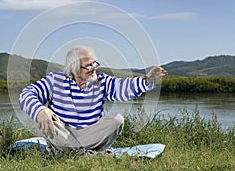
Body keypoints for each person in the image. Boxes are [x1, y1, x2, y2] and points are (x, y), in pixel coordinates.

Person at [19, 46, 167, 153]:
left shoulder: (101, 81)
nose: (94, 67)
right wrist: (40, 110)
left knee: (117, 120)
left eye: (95, 63)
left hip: (91, 134)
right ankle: (86, 153)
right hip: (63, 133)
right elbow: (26, 93)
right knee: (41, 121)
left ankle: (71, 152)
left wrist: (147, 79)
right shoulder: (55, 80)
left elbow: (123, 87)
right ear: (74, 68)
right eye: (89, 65)